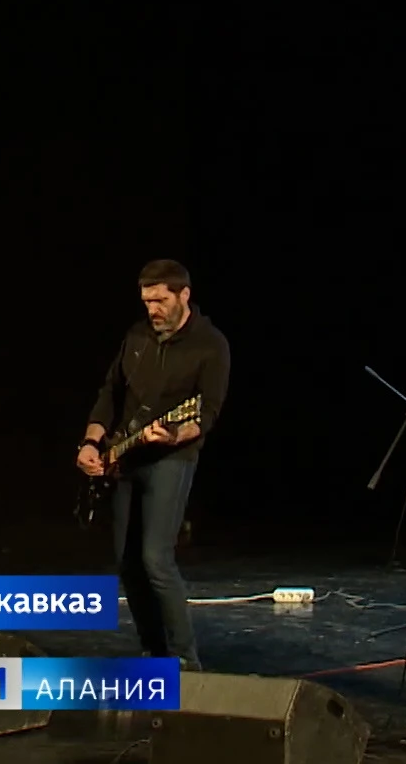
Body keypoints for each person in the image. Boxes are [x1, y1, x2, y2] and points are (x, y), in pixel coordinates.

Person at [75, 259, 230, 671]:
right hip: (126, 456)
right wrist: (92, 440)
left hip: (171, 458)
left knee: (156, 559)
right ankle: (153, 651)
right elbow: (111, 391)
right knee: (127, 563)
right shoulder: (137, 337)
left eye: (161, 301)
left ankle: (186, 661)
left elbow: (207, 413)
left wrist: (176, 434)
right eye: (147, 302)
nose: (153, 310)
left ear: (184, 295)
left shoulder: (211, 345)